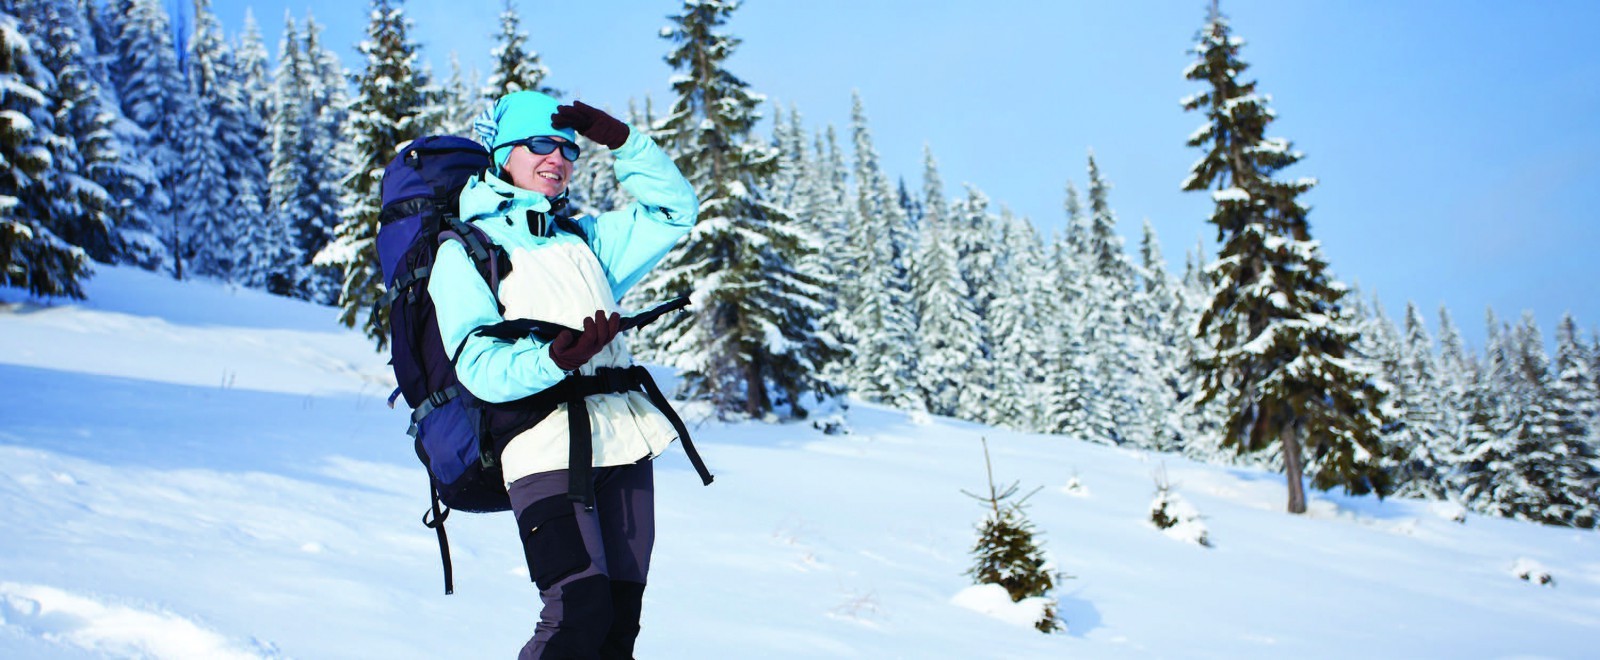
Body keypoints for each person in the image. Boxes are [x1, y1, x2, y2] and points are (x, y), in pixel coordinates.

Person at [428, 90, 697, 659]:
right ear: (503, 152)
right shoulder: (469, 249)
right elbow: (477, 364)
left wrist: (624, 142)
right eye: (541, 144)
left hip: (622, 443)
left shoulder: (583, 239)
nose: (559, 158)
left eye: (569, 148)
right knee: (576, 613)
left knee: (619, 624)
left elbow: (675, 212)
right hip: (542, 448)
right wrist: (553, 359)